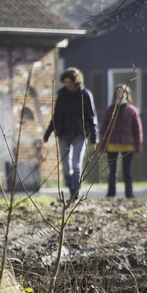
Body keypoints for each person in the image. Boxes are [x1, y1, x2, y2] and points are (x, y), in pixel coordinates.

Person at [43, 67, 98, 202]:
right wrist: (48, 132)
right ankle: (71, 189)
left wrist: (94, 137)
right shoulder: (62, 94)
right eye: (66, 82)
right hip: (63, 133)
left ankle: (76, 193)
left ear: (76, 81)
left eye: (70, 82)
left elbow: (92, 117)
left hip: (80, 134)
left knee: (76, 165)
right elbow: (56, 116)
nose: (68, 85)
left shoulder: (85, 95)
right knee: (66, 167)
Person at [99, 84, 143, 198]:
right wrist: (102, 147)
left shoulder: (132, 111)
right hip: (112, 144)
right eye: (118, 92)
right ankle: (111, 193)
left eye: (123, 92)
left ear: (127, 94)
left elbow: (138, 130)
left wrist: (138, 147)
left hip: (128, 144)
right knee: (112, 172)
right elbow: (104, 128)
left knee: (127, 172)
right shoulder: (110, 110)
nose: (121, 95)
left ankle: (129, 193)